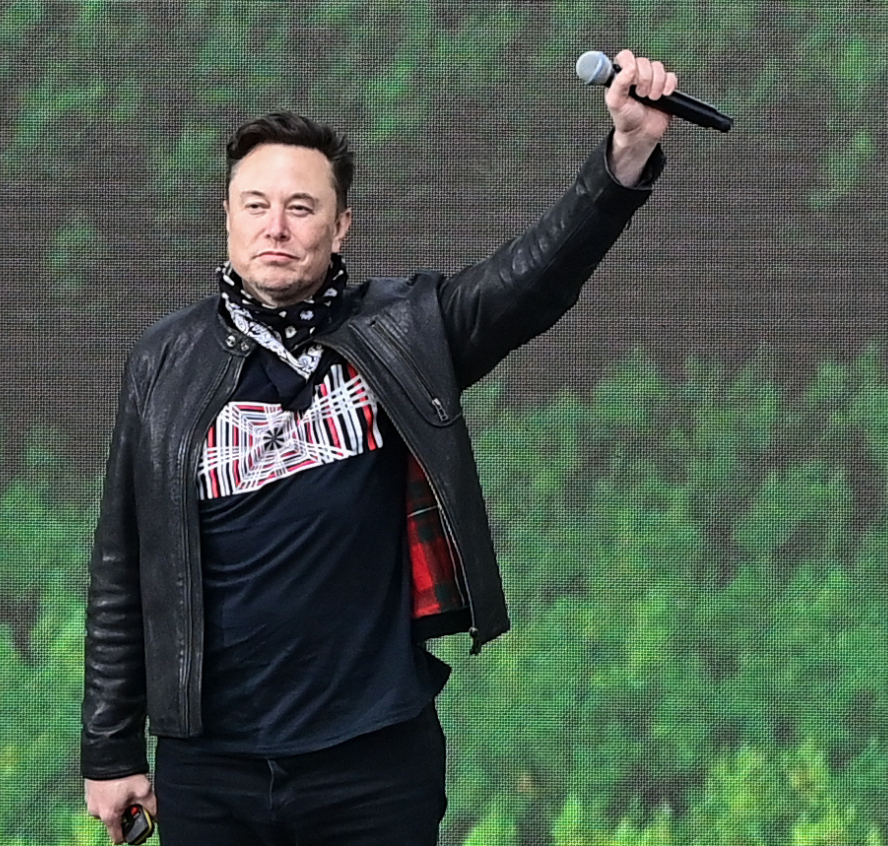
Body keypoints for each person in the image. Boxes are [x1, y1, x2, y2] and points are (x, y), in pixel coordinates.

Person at [83, 49, 679, 846]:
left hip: (374, 756)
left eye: (301, 207)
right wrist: (111, 748)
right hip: (210, 763)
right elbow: (122, 562)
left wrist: (626, 154)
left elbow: (531, 279)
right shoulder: (163, 360)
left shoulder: (406, 329)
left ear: (340, 225)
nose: (275, 226)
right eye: (256, 204)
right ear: (227, 214)